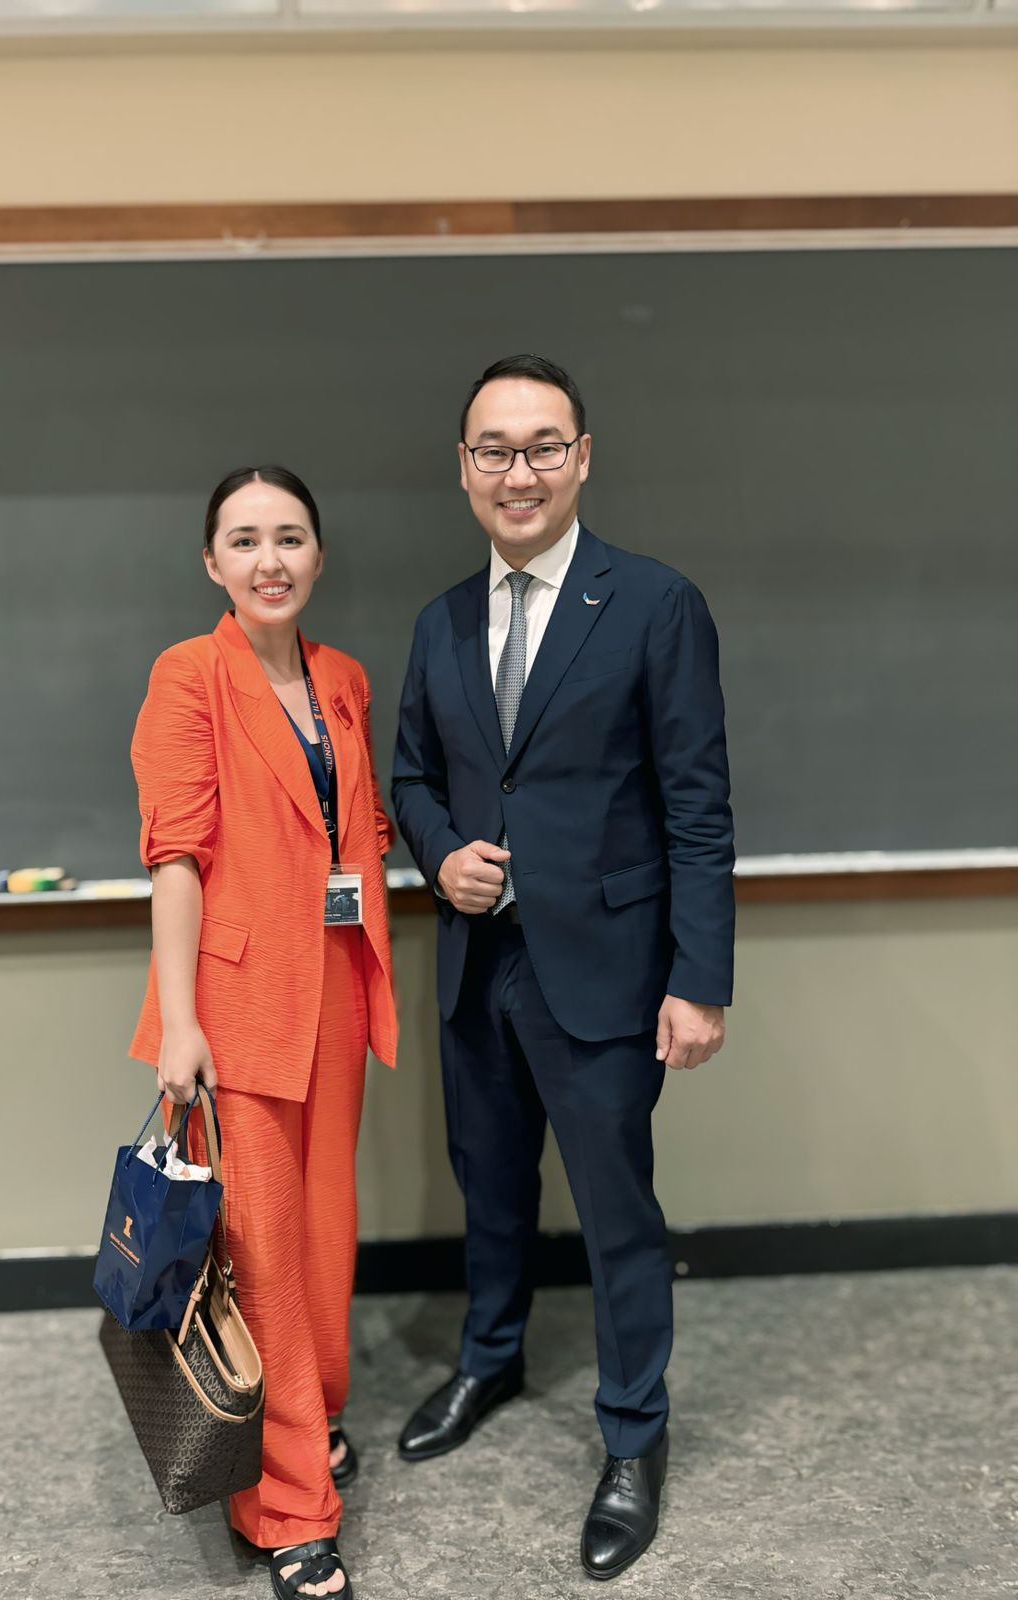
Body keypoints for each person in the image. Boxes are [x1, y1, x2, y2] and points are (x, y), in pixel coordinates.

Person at [392, 355, 734, 1581]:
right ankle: (490, 1359)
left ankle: (633, 1435)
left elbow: (698, 807)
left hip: (606, 972)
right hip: (477, 966)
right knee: (489, 1188)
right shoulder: (440, 619)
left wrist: (700, 979)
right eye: (495, 450)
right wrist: (440, 854)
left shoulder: (654, 603)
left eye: (543, 446)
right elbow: (412, 777)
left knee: (616, 1213)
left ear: (583, 457)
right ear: (465, 468)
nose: (519, 471)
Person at [129, 466, 397, 1600]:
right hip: (236, 1005)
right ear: (212, 563)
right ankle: (289, 1507)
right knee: (263, 1255)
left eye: (289, 537)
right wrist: (181, 1018)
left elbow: (354, 827)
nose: (269, 560)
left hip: (335, 988)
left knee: (324, 1234)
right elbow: (176, 857)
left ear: (319, 556)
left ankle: (307, 1415)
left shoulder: (344, 679)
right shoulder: (188, 675)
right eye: (244, 540)